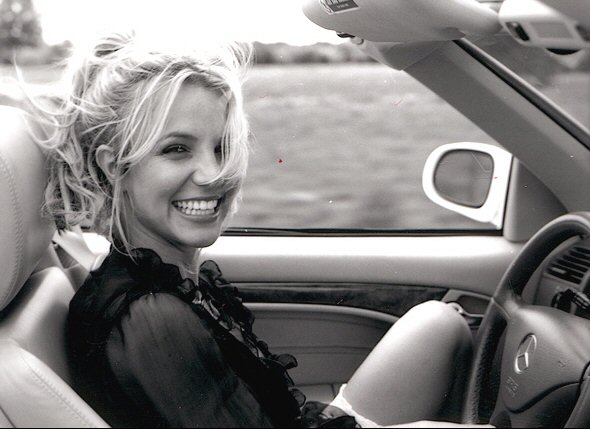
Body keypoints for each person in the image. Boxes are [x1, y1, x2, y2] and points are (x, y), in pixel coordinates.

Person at [24, 31, 477, 428]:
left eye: (222, 147)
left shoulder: (166, 279)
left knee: (440, 323)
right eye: (177, 149)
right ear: (114, 165)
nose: (213, 173)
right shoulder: (150, 318)